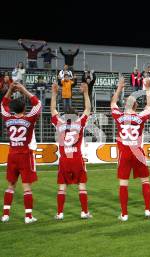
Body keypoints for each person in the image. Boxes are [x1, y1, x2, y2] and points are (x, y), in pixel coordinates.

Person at [111, 77, 150, 221]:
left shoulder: (119, 116)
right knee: (145, 181)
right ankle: (148, 210)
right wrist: (147, 89)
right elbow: (149, 106)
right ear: (136, 106)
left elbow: (113, 103)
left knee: (123, 184)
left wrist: (119, 88)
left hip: (124, 153)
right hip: (138, 152)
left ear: (126, 106)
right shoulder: (140, 116)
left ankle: (124, 214)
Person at [1, 83, 42, 223]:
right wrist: (24, 90)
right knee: (26, 187)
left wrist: (10, 90)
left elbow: (2, 104)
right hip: (25, 154)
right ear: (24, 108)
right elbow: (38, 105)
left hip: (12, 154)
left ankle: (5, 215)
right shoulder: (29, 119)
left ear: (12, 108)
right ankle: (28, 216)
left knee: (11, 186)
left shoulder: (8, 119)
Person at [51, 82, 92, 220]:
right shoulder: (79, 123)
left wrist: (54, 93)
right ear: (75, 116)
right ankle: (84, 212)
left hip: (64, 160)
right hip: (76, 159)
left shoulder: (60, 123)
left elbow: (52, 110)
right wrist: (86, 93)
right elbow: (88, 109)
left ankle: (60, 213)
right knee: (82, 186)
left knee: (62, 187)